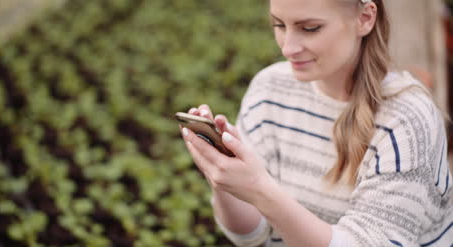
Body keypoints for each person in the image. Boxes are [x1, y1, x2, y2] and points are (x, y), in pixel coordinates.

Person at [180, 0, 453, 246]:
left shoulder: (406, 121)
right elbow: (251, 236)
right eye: (279, 25)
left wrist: (259, 189)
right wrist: (224, 180)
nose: (288, 47)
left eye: (310, 28)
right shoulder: (270, 90)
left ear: (365, 18)